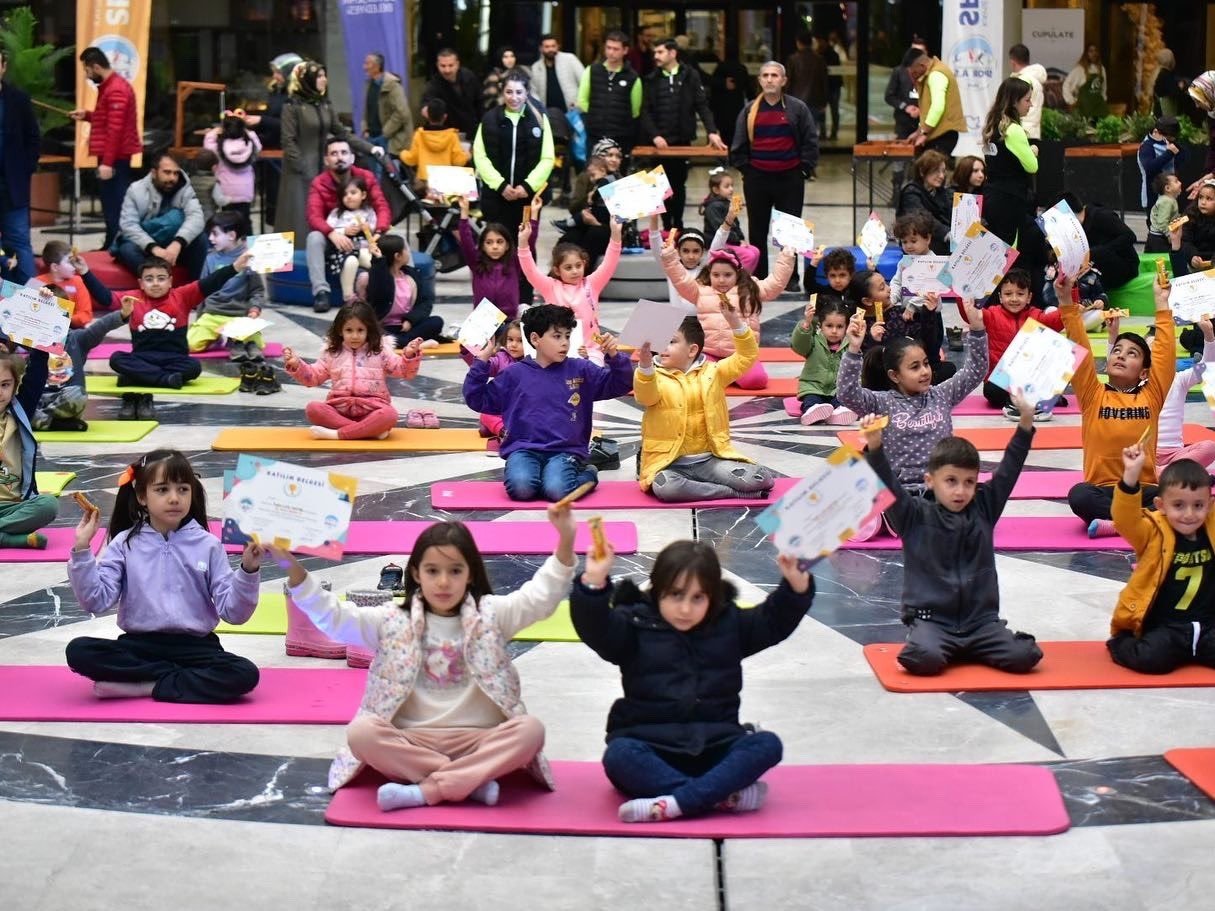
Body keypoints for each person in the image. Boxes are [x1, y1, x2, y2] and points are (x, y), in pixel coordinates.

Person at [274, 507, 576, 804]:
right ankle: (468, 782)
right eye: (433, 571)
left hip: (479, 740)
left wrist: (566, 539)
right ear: (417, 573)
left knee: (530, 731)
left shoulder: (493, 615)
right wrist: (288, 565)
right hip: (412, 740)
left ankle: (428, 790)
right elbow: (334, 616)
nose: (443, 582)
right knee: (362, 733)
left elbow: (541, 597)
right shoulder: (391, 620)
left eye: (455, 571)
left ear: (470, 574)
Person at [570, 538, 814, 823]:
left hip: (716, 747)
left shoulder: (729, 623)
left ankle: (675, 803)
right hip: (651, 748)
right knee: (619, 756)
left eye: (697, 598)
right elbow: (595, 627)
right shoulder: (634, 624)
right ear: (657, 590)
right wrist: (594, 580)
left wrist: (796, 585)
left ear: (712, 597)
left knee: (766, 745)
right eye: (676, 595)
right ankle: (722, 798)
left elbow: (774, 621)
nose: (685, 609)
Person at [64, 449, 264, 702]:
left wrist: (248, 570)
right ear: (141, 496)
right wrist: (82, 549)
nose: (174, 498)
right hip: (139, 646)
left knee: (244, 674)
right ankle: (178, 680)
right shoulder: (124, 543)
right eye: (162, 490)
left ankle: (145, 685)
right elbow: (95, 601)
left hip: (197, 648)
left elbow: (235, 613)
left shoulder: (208, 545)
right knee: (80, 650)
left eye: (183, 489)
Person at [860, 403, 1043, 676]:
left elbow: (1009, 470)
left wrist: (1025, 423)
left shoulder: (984, 508)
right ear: (930, 481)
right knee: (923, 658)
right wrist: (874, 448)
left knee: (1026, 655)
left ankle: (971, 646)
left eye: (969, 482)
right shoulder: (913, 515)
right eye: (951, 481)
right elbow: (888, 483)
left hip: (982, 625)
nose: (961, 490)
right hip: (934, 622)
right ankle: (926, 641)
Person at [836, 306, 987, 539]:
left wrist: (977, 329)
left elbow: (975, 372)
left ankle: (900, 519)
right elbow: (847, 393)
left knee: (977, 495)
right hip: (901, 494)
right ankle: (879, 515)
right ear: (894, 375)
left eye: (925, 364)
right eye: (914, 367)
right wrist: (854, 348)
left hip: (940, 489)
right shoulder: (882, 403)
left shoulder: (942, 395)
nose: (925, 371)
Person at [462, 304, 634, 502]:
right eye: (557, 336)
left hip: (565, 450)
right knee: (521, 489)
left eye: (567, 336)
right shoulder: (514, 374)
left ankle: (589, 473)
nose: (564, 343)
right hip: (523, 449)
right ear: (535, 339)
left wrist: (614, 356)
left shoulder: (581, 369)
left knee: (556, 491)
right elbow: (476, 399)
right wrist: (482, 361)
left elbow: (621, 384)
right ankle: (544, 473)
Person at [1059, 274, 1175, 536]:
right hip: (1102, 490)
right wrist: (1066, 300)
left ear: (1144, 372)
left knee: (1174, 494)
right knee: (1079, 496)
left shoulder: (1152, 393)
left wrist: (1161, 303)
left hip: (1142, 488)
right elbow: (1079, 347)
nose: (1121, 355)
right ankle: (1138, 521)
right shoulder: (1092, 394)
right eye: (1117, 350)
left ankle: (1117, 523)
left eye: (1132, 354)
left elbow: (1165, 355)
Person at [635, 311, 775, 502]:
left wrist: (734, 322)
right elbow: (645, 398)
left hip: (710, 461)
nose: (663, 348)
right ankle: (730, 493)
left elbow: (747, 356)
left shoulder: (714, 372)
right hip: (668, 463)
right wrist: (644, 367)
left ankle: (700, 488)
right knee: (666, 487)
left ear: (692, 350)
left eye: (672, 341)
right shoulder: (652, 375)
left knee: (762, 479)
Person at [104, 248, 253, 421]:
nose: (155, 283)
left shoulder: (182, 295)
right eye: (149, 279)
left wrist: (235, 267)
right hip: (143, 358)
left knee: (194, 367)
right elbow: (105, 297)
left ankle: (137, 377)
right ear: (141, 283)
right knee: (116, 358)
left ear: (170, 281)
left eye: (161, 278)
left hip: (174, 360)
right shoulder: (132, 298)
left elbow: (211, 282)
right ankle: (162, 380)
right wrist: (84, 273)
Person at [1108, 447, 1215, 674]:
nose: (1189, 514)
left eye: (1198, 505)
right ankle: (1120, 643)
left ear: (1210, 505)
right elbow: (1125, 519)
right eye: (1179, 505)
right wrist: (1130, 476)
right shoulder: (1152, 532)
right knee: (1151, 659)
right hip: (1165, 626)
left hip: (1207, 626)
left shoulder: (1212, 528)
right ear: (1160, 505)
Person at [728, 61, 818, 289]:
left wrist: (804, 168)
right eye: (765, 75)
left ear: (784, 80)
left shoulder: (797, 108)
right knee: (757, 230)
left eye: (775, 75)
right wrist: (747, 170)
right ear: (759, 80)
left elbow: (810, 141)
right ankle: (758, 278)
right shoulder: (749, 110)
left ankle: (790, 279)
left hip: (790, 179)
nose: (770, 79)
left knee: (791, 233)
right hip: (757, 179)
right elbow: (737, 145)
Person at [276, 61, 381, 254]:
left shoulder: (324, 104)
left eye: (324, 75)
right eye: (319, 76)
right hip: (299, 169)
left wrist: (370, 148)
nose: (324, 80)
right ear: (306, 79)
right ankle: (295, 261)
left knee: (324, 213)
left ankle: (324, 254)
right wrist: (302, 167)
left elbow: (342, 133)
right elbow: (288, 141)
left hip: (325, 166)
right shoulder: (292, 105)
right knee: (298, 214)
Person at [660, 244, 796, 390]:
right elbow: (680, 279)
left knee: (757, 381)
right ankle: (724, 375)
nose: (721, 280)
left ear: (737, 274)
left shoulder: (751, 289)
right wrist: (669, 257)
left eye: (727, 275)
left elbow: (776, 283)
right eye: (716, 275)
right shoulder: (699, 290)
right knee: (694, 381)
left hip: (741, 356)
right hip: (709, 353)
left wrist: (786, 257)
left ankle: (724, 375)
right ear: (709, 274)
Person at [283, 300, 423, 441]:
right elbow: (313, 377)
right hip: (339, 410)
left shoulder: (380, 351)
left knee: (389, 415)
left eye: (360, 330)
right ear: (340, 330)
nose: (354, 336)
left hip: (373, 409)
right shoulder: (332, 353)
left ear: (368, 330)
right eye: (349, 330)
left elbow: (404, 372)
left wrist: (409, 356)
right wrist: (297, 365)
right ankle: (369, 431)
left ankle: (338, 434)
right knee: (313, 409)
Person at [473, 73, 554, 309]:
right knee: (495, 246)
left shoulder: (539, 119)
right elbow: (480, 156)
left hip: (525, 200)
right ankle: (492, 300)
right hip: (497, 198)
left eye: (519, 92)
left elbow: (547, 158)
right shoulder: (489, 119)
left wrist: (526, 187)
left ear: (527, 93)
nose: (514, 97)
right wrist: (500, 185)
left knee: (524, 247)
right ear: (502, 93)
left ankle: (524, 302)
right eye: (509, 92)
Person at [641, 39, 725, 231]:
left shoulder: (690, 75)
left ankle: (677, 225)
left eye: (660, 52)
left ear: (672, 53)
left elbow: (701, 105)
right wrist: (654, 135)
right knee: (660, 187)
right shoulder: (651, 79)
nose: (656, 56)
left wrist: (711, 131)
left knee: (679, 185)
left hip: (681, 140)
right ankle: (665, 224)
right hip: (659, 144)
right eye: (655, 52)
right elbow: (645, 111)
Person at [955, 269, 1064, 415]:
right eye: (1008, 294)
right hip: (1001, 382)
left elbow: (1062, 318)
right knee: (991, 391)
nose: (1014, 298)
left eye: (1020, 294)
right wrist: (961, 290)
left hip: (1028, 380)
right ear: (1000, 297)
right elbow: (969, 313)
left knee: (1064, 365)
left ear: (1029, 297)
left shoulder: (1037, 316)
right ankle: (1028, 401)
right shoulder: (991, 314)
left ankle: (1027, 400)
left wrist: (1071, 291)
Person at [304, 137, 392, 313]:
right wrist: (333, 233)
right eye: (334, 154)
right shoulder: (319, 183)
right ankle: (321, 292)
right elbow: (313, 216)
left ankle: (406, 284)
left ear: (352, 157)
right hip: (334, 237)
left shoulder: (365, 177)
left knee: (396, 240)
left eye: (344, 153)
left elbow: (382, 206)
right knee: (314, 237)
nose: (339, 157)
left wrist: (379, 230)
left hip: (366, 237)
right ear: (326, 160)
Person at [517, 217, 621, 363]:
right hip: (556, 354)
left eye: (578, 265)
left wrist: (616, 234)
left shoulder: (592, 283)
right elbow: (530, 270)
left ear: (584, 264)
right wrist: (523, 242)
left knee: (593, 376)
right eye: (568, 267)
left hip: (591, 351)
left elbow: (610, 262)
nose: (575, 271)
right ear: (557, 270)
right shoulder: (550, 286)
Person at [31, 290, 132, 433]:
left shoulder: (76, 339)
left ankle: (38, 420)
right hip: (37, 398)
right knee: (12, 400)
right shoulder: (30, 338)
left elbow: (100, 327)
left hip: (65, 398)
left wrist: (122, 314)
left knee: (78, 394)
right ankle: (54, 423)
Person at [70, 47, 140, 250]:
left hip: (115, 158)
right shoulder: (111, 87)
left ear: (97, 67)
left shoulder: (116, 89)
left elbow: (115, 131)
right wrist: (87, 115)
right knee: (111, 203)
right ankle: (111, 243)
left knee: (115, 204)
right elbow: (109, 119)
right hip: (113, 156)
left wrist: (107, 163)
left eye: (87, 70)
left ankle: (117, 245)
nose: (87, 75)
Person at [187, 213, 269, 379]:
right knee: (190, 344)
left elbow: (257, 290)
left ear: (231, 235)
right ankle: (223, 338)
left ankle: (234, 339)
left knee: (258, 345)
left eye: (215, 234)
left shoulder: (249, 258)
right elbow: (201, 289)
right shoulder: (210, 259)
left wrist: (254, 309)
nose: (210, 238)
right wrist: (200, 320)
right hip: (213, 314)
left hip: (240, 316)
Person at [981, 77, 1043, 284]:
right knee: (1009, 251)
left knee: (995, 249)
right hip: (1011, 199)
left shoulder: (992, 126)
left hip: (992, 195)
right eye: (1027, 100)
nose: (1031, 104)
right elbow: (1032, 166)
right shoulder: (1014, 130)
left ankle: (991, 297)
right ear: (1014, 101)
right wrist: (1033, 150)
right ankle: (1006, 295)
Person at [114, 152, 208, 281]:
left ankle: (194, 289)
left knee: (201, 239)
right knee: (127, 250)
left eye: (176, 173)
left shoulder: (184, 188)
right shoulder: (136, 190)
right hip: (145, 243)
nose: (172, 178)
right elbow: (128, 225)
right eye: (167, 172)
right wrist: (153, 247)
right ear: (154, 172)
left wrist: (178, 243)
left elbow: (196, 218)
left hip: (172, 243)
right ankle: (155, 287)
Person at [0, 345, 54, 549]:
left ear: (14, 386)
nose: (0, 393)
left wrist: (41, 347)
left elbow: (36, 378)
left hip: (14, 507)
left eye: (5, 385)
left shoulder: (19, 411)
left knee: (48, 505)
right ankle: (8, 538)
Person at [361, 233, 445, 347]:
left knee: (436, 321)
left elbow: (425, 303)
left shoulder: (411, 274)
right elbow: (379, 291)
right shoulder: (378, 277)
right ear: (398, 256)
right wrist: (378, 260)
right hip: (383, 327)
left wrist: (411, 320)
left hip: (406, 327)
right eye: (405, 249)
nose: (408, 252)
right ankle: (414, 343)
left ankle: (402, 342)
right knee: (374, 334)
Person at [457, 195, 533, 320]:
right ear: (482, 246)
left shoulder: (514, 263)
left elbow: (528, 241)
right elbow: (466, 241)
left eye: (499, 242)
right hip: (483, 320)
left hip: (508, 319)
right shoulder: (476, 263)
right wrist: (464, 213)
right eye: (489, 242)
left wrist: (533, 216)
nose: (495, 246)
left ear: (507, 245)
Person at [248, 52, 302, 228]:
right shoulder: (276, 92)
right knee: (272, 198)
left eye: (279, 73)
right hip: (271, 151)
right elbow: (272, 117)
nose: (275, 77)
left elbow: (291, 124)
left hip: (286, 154)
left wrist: (261, 121)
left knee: (285, 200)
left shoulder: (298, 95)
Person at [1155, 318, 1215, 474]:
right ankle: (1170, 473)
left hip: (1176, 455)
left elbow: (1206, 367)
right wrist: (1113, 337)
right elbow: (1115, 371)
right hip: (1143, 453)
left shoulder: (1179, 379)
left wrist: (1208, 335)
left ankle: (1161, 472)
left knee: (1209, 447)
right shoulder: (1135, 381)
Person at [0, 49, 40, 282]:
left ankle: (32, 306)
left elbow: (33, 137)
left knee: (20, 241)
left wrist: (27, 168)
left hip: (12, 182)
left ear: (4, 67)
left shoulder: (18, 98)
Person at [578, 31, 643, 158]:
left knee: (619, 176)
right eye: (608, 48)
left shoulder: (633, 77)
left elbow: (635, 110)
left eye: (615, 49)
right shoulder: (591, 71)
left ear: (625, 50)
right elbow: (582, 100)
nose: (611, 52)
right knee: (594, 173)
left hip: (621, 136)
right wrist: (595, 116)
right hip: (595, 134)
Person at [791, 298, 855, 425]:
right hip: (813, 387)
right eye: (829, 326)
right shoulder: (814, 341)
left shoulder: (851, 344)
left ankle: (838, 414)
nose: (834, 331)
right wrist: (806, 325)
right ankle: (812, 411)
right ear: (821, 325)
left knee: (842, 402)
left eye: (840, 326)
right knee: (811, 401)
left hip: (838, 389)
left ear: (846, 327)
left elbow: (855, 366)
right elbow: (799, 346)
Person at [904, 47, 966, 157]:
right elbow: (929, 112)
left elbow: (937, 107)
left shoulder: (936, 75)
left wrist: (924, 133)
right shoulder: (932, 73)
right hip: (937, 135)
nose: (913, 77)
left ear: (922, 65)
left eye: (914, 73)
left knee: (933, 171)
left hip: (943, 136)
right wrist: (918, 132)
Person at [325, 175, 378, 303]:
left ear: (363, 195)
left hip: (363, 248)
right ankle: (348, 296)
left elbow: (375, 228)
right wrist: (344, 231)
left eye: (353, 193)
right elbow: (328, 229)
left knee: (374, 261)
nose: (348, 196)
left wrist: (367, 228)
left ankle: (375, 291)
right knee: (351, 262)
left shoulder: (368, 211)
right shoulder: (337, 213)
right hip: (344, 251)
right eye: (345, 194)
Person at [204, 111, 262, 224]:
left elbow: (208, 141)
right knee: (245, 221)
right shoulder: (250, 145)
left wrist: (219, 129)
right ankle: (246, 240)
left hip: (226, 192)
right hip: (246, 191)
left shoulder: (219, 148)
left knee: (227, 222)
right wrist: (243, 127)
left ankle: (230, 240)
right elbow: (258, 144)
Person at [400, 99, 471, 189]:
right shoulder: (452, 136)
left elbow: (411, 159)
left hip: (424, 184)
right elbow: (458, 161)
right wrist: (468, 154)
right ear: (445, 117)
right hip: (445, 183)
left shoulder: (419, 135)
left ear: (428, 115)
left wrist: (402, 153)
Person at [475, 320, 524, 439]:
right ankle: (503, 431)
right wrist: (481, 356)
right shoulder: (501, 357)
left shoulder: (535, 361)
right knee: (486, 414)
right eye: (510, 339)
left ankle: (495, 428)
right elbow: (484, 367)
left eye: (520, 341)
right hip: (500, 409)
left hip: (522, 410)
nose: (513, 344)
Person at [895, 149, 950, 254]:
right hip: (917, 242)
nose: (941, 176)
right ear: (922, 171)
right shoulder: (911, 192)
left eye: (943, 171)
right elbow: (923, 218)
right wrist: (947, 233)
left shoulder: (940, 191)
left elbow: (948, 215)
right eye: (936, 171)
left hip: (938, 239)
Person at [420, 49, 483, 141]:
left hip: (471, 130)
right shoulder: (434, 84)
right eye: (443, 66)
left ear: (457, 64)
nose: (447, 70)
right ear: (437, 65)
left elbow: (480, 101)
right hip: (447, 134)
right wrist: (427, 110)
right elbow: (426, 103)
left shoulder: (469, 76)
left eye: (451, 65)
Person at [362, 52, 414, 159]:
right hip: (371, 138)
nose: (364, 67)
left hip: (389, 140)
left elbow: (402, 112)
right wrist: (365, 129)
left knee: (388, 172)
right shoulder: (369, 85)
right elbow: (367, 110)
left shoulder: (392, 85)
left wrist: (385, 133)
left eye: (367, 64)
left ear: (377, 66)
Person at [785, 30, 829, 150]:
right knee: (811, 131)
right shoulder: (819, 59)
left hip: (796, 101)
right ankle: (809, 160)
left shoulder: (793, 59)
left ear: (798, 43)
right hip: (815, 101)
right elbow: (824, 82)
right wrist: (824, 102)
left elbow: (789, 82)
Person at [35, 242, 95, 328]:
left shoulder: (77, 282)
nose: (74, 266)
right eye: (69, 262)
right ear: (55, 267)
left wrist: (63, 317)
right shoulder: (37, 282)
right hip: (42, 328)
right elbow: (25, 310)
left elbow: (86, 314)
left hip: (71, 328)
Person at [708, 51, 752, 148]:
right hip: (737, 106)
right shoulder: (741, 68)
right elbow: (748, 89)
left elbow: (713, 85)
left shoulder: (720, 68)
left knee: (724, 135)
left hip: (721, 108)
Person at [530, 35, 584, 114]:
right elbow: (533, 92)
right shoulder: (536, 67)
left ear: (557, 46)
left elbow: (584, 81)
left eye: (553, 46)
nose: (551, 49)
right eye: (547, 47)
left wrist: (579, 102)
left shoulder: (570, 59)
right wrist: (540, 109)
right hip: (549, 114)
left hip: (572, 111)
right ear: (541, 48)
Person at [1138, 116, 1181, 211]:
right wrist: (1169, 153)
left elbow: (1181, 160)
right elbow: (1149, 168)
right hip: (1153, 197)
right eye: (1168, 137)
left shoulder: (1170, 143)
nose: (1171, 140)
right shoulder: (1147, 147)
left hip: (1172, 195)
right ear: (1156, 132)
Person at [1185, 72, 1215, 199]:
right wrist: (1207, 176)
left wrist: (1212, 175)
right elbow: (1213, 148)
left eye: (1199, 101)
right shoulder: (1212, 113)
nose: (1197, 106)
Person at [1008, 44, 1046, 142]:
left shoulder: (1020, 81)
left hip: (1019, 132)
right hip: (1034, 132)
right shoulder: (1036, 80)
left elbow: (1010, 107)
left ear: (1012, 62)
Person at [1063, 44, 1108, 121]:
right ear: (1086, 54)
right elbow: (1066, 84)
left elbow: (1104, 87)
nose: (1094, 53)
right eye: (1091, 51)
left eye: (1095, 51)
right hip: (1084, 110)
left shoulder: (1101, 69)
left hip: (1099, 109)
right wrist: (1071, 101)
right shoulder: (1080, 70)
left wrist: (1103, 99)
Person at [701, 169, 745, 245]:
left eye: (732, 185)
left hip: (730, 240)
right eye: (727, 186)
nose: (731, 189)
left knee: (755, 251)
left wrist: (741, 238)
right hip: (716, 243)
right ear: (716, 190)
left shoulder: (727, 203)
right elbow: (720, 228)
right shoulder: (713, 207)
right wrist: (737, 241)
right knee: (750, 254)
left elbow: (736, 224)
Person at [1180, 180, 1215, 272]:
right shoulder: (1190, 215)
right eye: (1200, 197)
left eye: (1209, 199)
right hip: (1196, 264)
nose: (1203, 202)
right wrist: (1192, 256)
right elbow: (1185, 241)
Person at [1147, 173, 1184, 254]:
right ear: (1167, 188)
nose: (1180, 183)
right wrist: (1169, 235)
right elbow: (1162, 222)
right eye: (1176, 181)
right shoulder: (1167, 202)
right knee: (1164, 262)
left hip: (1157, 236)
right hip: (1159, 238)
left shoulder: (1169, 200)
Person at [481, 46, 517, 111]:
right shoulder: (494, 76)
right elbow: (490, 102)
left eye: (512, 56)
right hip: (497, 114)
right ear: (500, 58)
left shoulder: (516, 74)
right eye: (505, 57)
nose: (510, 59)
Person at [1153, 50, 1186, 118]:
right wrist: (1180, 86)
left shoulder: (1157, 73)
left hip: (1158, 111)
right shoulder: (1166, 75)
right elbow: (1174, 92)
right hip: (1166, 115)